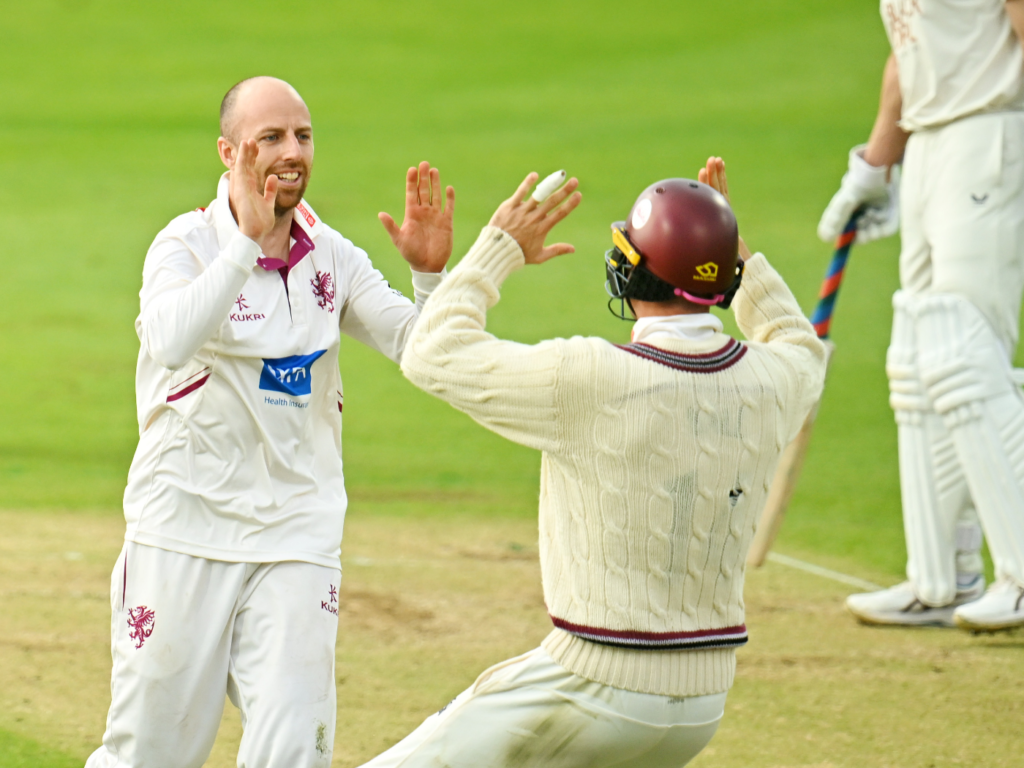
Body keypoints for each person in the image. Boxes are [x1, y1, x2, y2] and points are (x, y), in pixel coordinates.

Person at [355, 158, 826, 768]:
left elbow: (431, 354)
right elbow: (798, 340)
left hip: (590, 685)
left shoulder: (590, 378)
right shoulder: (778, 380)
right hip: (703, 705)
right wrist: (733, 252)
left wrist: (497, 247)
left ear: (628, 271)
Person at [86, 76, 454, 768]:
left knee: (295, 748)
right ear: (229, 153)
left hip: (295, 533)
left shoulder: (333, 257)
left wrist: (430, 280)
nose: (292, 153)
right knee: (151, 755)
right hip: (182, 528)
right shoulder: (186, 244)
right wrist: (243, 248)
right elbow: (167, 340)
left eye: (304, 136)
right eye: (272, 138)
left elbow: (423, 351)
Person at [820, 0, 1024, 631]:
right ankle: (941, 579)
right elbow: (912, 51)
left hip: (991, 133)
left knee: (968, 356)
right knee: (919, 356)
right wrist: (875, 166)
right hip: (933, 145)